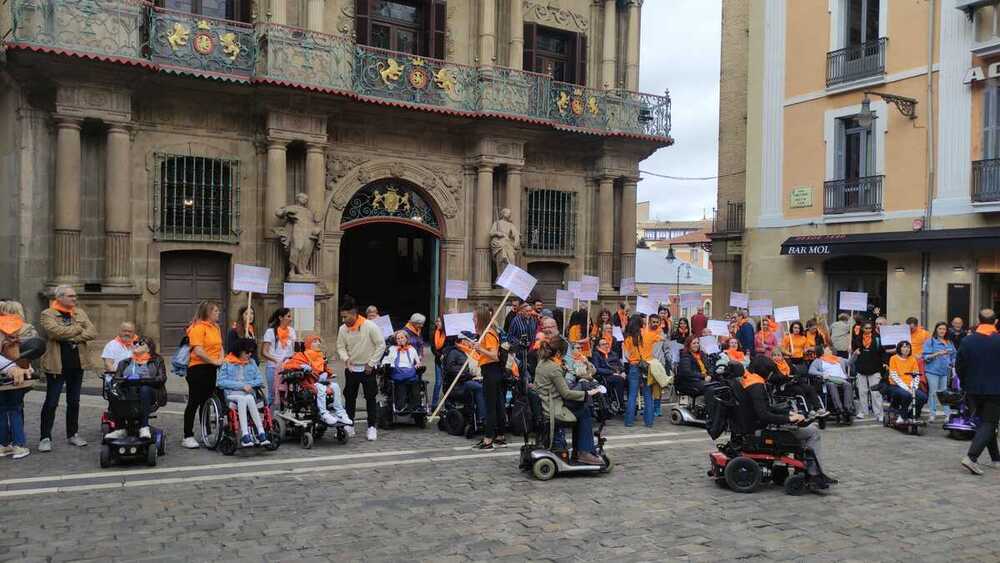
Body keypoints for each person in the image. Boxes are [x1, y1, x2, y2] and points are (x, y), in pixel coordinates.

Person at [731, 358, 833, 494]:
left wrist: (789, 413)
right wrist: (788, 419)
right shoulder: (756, 386)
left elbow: (766, 408)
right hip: (761, 429)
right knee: (813, 432)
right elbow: (764, 415)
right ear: (765, 372)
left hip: (755, 425)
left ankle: (807, 470)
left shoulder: (748, 380)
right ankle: (813, 474)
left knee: (806, 428)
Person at [39, 284, 96, 452]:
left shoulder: (80, 312)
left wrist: (74, 338)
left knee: (74, 401)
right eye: (71, 296)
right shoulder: (47, 314)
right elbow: (54, 333)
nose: (74, 299)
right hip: (57, 365)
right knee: (51, 402)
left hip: (77, 364)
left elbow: (92, 332)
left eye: (75, 296)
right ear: (60, 298)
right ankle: (45, 437)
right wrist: (78, 329)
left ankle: (73, 434)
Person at [533, 338, 604, 465]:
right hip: (554, 408)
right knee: (584, 412)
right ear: (559, 353)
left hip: (548, 403)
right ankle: (583, 452)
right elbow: (566, 393)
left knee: (581, 407)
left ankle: (581, 450)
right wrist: (588, 393)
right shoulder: (554, 368)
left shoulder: (542, 363)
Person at [337, 296, 386, 441]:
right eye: (342, 317)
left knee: (370, 397)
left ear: (353, 313)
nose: (343, 320)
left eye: (345, 316)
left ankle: (371, 427)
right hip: (351, 368)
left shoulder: (370, 325)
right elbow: (340, 346)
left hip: (367, 368)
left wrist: (371, 363)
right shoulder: (342, 329)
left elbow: (381, 344)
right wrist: (346, 359)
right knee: (349, 397)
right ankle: (349, 424)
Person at [956, 310, 1000, 474]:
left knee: (985, 423)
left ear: (979, 320)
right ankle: (971, 457)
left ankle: (996, 459)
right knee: (989, 423)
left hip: (973, 389)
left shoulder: (968, 340)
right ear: (995, 321)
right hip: (995, 390)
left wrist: (966, 383)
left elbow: (959, 365)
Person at [104, 337, 167, 440]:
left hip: (149, 392)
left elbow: (161, 378)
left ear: (149, 348)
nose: (136, 344)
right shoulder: (124, 362)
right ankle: (120, 428)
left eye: (141, 343)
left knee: (144, 389)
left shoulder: (157, 360)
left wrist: (141, 380)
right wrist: (125, 380)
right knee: (112, 390)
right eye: (135, 342)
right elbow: (116, 380)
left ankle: (144, 426)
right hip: (128, 391)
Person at [282, 336, 352, 427]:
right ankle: (323, 413)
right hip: (307, 383)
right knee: (321, 388)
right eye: (315, 341)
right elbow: (288, 365)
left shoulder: (320, 356)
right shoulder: (301, 355)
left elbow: (326, 369)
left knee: (335, 386)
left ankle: (340, 413)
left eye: (319, 341)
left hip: (319, 381)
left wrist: (326, 373)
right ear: (308, 344)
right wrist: (302, 366)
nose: (318, 343)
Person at [182, 301, 223, 449]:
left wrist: (220, 359)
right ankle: (187, 435)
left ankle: (207, 431)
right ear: (208, 313)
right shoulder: (197, 328)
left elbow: (220, 346)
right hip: (197, 368)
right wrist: (214, 361)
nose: (218, 313)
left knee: (206, 401)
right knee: (194, 401)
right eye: (216, 311)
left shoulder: (216, 328)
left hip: (211, 368)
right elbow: (198, 350)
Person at [0, 300, 38, 460]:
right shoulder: (27, 329)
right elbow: (33, 352)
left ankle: (4, 444)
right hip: (20, 372)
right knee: (14, 408)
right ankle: (18, 444)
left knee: (2, 409)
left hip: (6, 373)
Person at [216, 338, 270, 447]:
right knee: (243, 398)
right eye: (247, 352)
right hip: (232, 395)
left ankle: (260, 432)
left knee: (248, 398)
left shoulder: (252, 363)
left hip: (248, 395)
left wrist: (249, 385)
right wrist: (242, 386)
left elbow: (259, 379)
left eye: (251, 352)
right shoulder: (227, 362)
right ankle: (246, 434)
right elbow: (220, 382)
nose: (249, 355)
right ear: (239, 351)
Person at [472, 306, 506, 450]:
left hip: (491, 371)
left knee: (490, 406)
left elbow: (494, 355)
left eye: (475, 317)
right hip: (492, 372)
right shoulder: (487, 333)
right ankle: (500, 436)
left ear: (480, 318)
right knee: (498, 405)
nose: (473, 320)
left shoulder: (488, 334)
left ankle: (488, 439)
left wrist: (480, 349)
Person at [767, 348, 825, 416]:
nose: (776, 357)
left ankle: (818, 408)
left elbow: (796, 372)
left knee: (809, 388)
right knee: (799, 390)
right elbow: (772, 378)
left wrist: (795, 377)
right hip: (781, 387)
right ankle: (808, 410)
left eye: (778, 355)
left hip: (792, 383)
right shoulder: (770, 366)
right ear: (771, 357)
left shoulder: (787, 363)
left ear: (782, 356)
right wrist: (785, 377)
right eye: (774, 355)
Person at [622, 314, 655, 428]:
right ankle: (649, 422)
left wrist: (633, 358)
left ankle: (629, 421)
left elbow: (626, 355)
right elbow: (660, 339)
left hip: (634, 366)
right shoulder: (647, 334)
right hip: (646, 366)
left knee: (632, 395)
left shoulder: (628, 338)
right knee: (647, 395)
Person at [261, 308, 296, 409]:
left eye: (291, 316)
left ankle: (284, 419)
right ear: (280, 317)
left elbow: (293, 349)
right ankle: (270, 420)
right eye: (288, 316)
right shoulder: (270, 332)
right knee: (272, 395)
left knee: (287, 394)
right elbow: (264, 352)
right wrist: (276, 360)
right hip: (273, 368)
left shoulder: (292, 331)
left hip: (287, 368)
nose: (291, 319)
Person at [382, 330, 423, 413]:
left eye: (402, 337)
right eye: (398, 338)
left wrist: (418, 364)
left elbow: (418, 362)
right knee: (401, 383)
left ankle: (416, 406)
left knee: (415, 383)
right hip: (397, 372)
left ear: (406, 338)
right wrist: (387, 365)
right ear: (395, 340)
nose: (400, 340)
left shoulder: (412, 349)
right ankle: (401, 406)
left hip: (410, 372)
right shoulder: (392, 349)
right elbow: (385, 361)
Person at [852, 322, 886, 421]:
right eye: (866, 328)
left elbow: (882, 352)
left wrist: (884, 363)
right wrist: (854, 351)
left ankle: (879, 413)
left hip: (875, 368)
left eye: (870, 328)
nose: (868, 330)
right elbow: (853, 351)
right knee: (862, 392)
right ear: (862, 328)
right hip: (861, 368)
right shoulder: (857, 339)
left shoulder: (877, 338)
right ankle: (863, 411)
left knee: (875, 393)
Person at [923, 322, 956, 422]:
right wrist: (937, 353)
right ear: (936, 330)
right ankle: (932, 414)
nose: (942, 331)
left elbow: (954, 355)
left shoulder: (949, 342)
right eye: (940, 329)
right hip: (932, 371)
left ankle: (947, 414)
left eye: (944, 329)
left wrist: (953, 363)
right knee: (933, 393)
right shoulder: (930, 342)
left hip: (945, 372)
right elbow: (925, 357)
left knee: (944, 393)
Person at [886, 341, 926, 423]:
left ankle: (912, 416)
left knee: (922, 397)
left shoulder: (912, 359)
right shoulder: (893, 358)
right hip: (896, 385)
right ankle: (902, 416)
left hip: (910, 385)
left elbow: (916, 374)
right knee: (906, 395)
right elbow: (894, 376)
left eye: (908, 347)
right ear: (899, 348)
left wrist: (913, 386)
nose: (906, 349)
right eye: (904, 347)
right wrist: (906, 388)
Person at [808, 345, 853, 415]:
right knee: (832, 385)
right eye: (826, 350)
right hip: (830, 380)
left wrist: (854, 354)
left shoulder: (839, 359)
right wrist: (822, 374)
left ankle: (848, 408)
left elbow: (850, 362)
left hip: (842, 379)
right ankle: (839, 408)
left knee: (848, 385)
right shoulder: (818, 361)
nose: (828, 351)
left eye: (828, 350)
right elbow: (811, 371)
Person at [591, 337, 624, 402]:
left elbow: (620, 365)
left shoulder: (613, 353)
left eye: (607, 343)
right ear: (598, 347)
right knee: (618, 379)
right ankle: (620, 402)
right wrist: (612, 372)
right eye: (603, 344)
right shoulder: (596, 354)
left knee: (630, 378)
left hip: (617, 373)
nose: (606, 345)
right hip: (606, 375)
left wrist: (622, 371)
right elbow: (597, 369)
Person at [431, 316, 446, 409]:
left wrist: (444, 354)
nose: (437, 323)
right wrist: (439, 355)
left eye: (439, 321)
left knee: (446, 383)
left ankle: (447, 403)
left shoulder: (447, 334)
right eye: (436, 321)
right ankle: (434, 404)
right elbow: (433, 347)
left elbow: (449, 346)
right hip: (438, 360)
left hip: (447, 361)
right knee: (438, 383)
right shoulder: (434, 333)